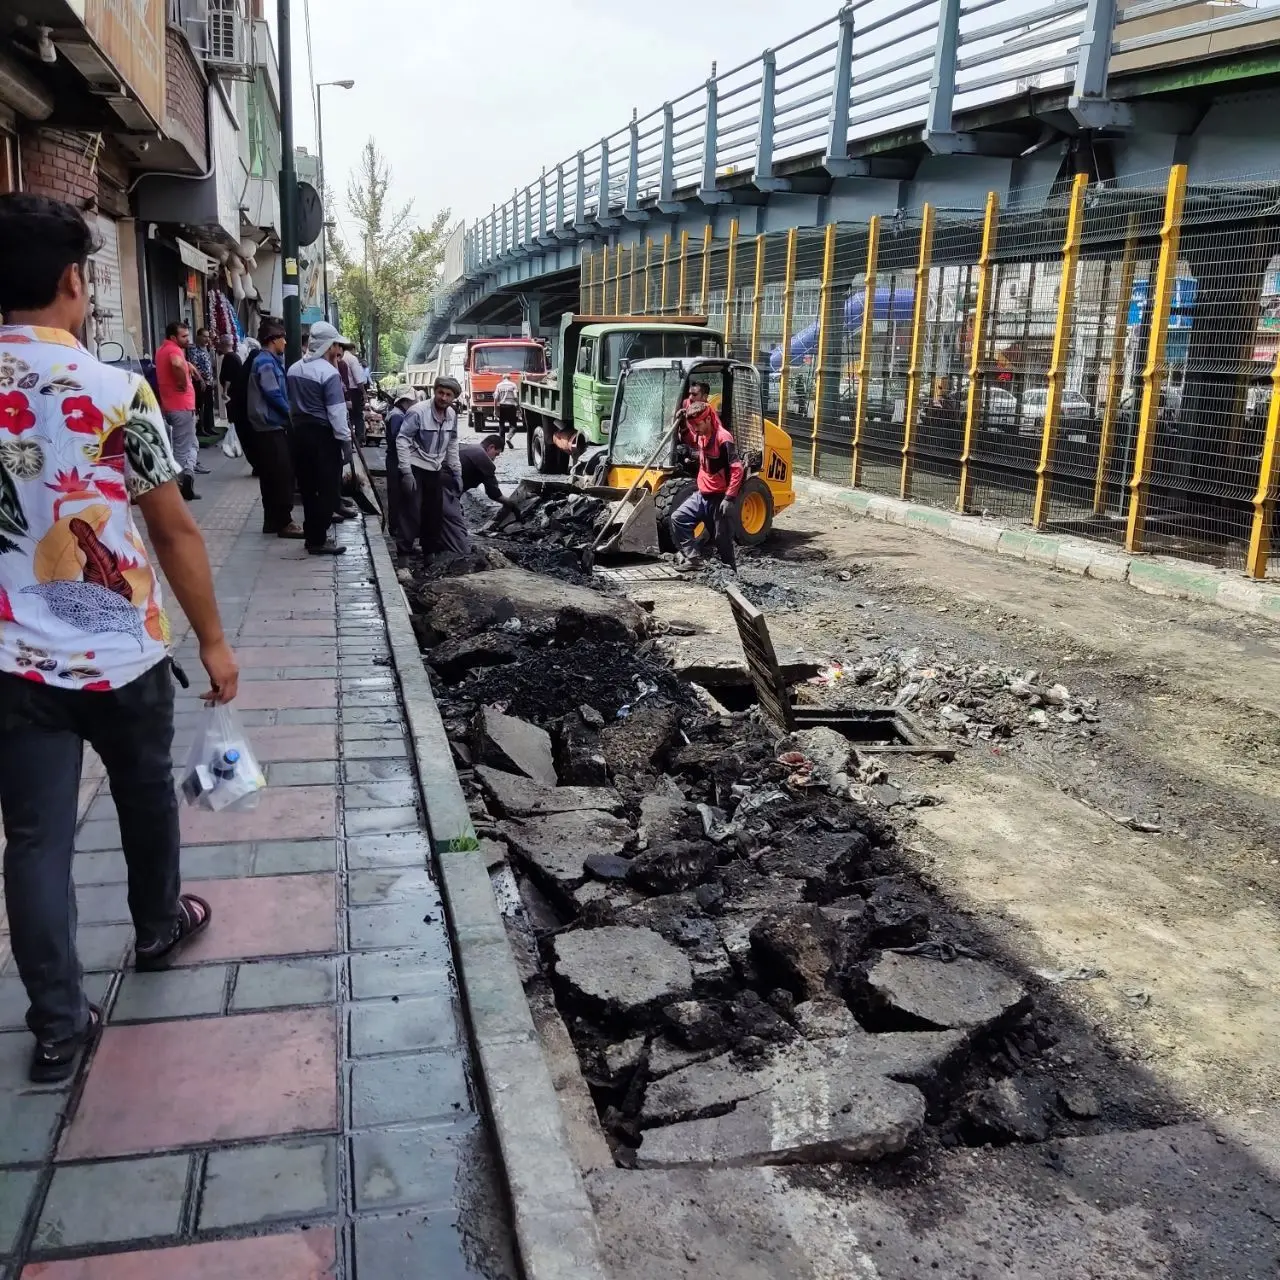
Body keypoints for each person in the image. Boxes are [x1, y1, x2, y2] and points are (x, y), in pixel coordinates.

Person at [0, 193, 239, 1081]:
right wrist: (214, 642)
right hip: (123, 654)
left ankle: (58, 1026)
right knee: (144, 798)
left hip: (12, 663)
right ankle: (155, 925)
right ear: (73, 282)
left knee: (35, 840)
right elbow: (173, 530)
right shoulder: (112, 390)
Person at [286, 321, 352, 556]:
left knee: (307, 487)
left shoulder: (293, 369)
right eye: (336, 345)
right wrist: (345, 441)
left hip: (299, 434)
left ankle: (311, 534)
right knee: (326, 488)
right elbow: (336, 411)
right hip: (323, 436)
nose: (338, 350)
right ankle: (318, 538)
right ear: (329, 345)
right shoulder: (328, 373)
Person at [670, 380, 742, 572]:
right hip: (702, 495)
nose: (696, 429)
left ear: (708, 419)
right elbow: (690, 436)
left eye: (698, 425)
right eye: (694, 426)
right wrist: (684, 423)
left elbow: (737, 469)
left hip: (720, 499)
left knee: (722, 540)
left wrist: (730, 497)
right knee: (679, 518)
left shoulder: (723, 438)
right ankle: (694, 559)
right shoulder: (700, 434)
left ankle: (732, 574)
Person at [398, 375, 466, 561]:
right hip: (415, 466)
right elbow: (402, 440)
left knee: (433, 512)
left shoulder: (451, 415)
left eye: (448, 395)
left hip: (435, 469)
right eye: (440, 393)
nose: (443, 398)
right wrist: (406, 472)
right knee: (411, 511)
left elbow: (452, 443)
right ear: (434, 392)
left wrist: (456, 471)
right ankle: (404, 555)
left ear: (454, 398)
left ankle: (429, 553)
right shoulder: (418, 412)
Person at [245, 321, 302, 538]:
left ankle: (271, 520)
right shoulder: (266, 363)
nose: (285, 342)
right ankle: (284, 521)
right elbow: (273, 392)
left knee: (270, 475)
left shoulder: (268, 361)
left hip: (266, 426)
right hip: (270, 425)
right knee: (281, 474)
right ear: (272, 339)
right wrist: (290, 413)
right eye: (282, 338)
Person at [155, 320, 199, 500]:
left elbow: (178, 363)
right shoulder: (174, 350)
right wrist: (182, 381)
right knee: (182, 448)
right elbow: (176, 363)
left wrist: (188, 366)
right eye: (184, 336)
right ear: (173, 337)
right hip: (181, 406)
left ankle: (188, 474)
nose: (188, 339)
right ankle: (178, 486)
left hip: (171, 405)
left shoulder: (162, 350)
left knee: (191, 443)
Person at [384, 386, 420, 557]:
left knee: (398, 495)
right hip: (396, 460)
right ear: (405, 401)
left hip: (394, 459)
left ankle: (397, 529)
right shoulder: (397, 416)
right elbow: (399, 439)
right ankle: (398, 530)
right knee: (400, 496)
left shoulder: (396, 413)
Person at [461, 434, 522, 519]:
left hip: (438, 481)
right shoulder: (484, 460)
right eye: (496, 454)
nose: (494, 459)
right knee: (455, 522)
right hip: (445, 489)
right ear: (491, 447)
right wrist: (512, 505)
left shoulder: (468, 447)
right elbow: (494, 493)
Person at [190, 328, 215, 465]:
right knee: (201, 405)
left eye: (208, 337)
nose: (206, 339)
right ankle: (202, 428)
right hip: (200, 381)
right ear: (198, 336)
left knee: (209, 403)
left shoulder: (206, 349)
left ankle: (209, 426)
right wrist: (201, 380)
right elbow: (194, 366)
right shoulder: (194, 350)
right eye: (204, 336)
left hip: (209, 380)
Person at [340, 345, 368, 446]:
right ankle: (359, 439)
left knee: (349, 417)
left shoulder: (341, 358)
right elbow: (358, 378)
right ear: (352, 349)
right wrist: (364, 392)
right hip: (354, 390)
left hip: (345, 390)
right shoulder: (352, 359)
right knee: (358, 415)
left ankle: (350, 441)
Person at [493, 372, 519, 449]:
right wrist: (518, 406)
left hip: (502, 406)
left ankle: (502, 445)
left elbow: (495, 398)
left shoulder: (499, 385)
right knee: (513, 425)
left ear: (503, 378)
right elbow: (515, 397)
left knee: (501, 426)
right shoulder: (513, 385)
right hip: (511, 406)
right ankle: (509, 437)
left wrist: (495, 409)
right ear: (509, 378)